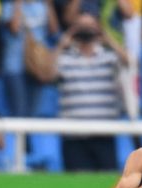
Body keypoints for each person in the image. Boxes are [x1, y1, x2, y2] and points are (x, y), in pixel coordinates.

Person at [45, 12, 127, 171]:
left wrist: (107, 38)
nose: (86, 31)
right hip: (74, 138)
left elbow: (129, 62)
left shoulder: (108, 57)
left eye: (90, 26)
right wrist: (62, 45)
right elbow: (47, 74)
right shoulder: (65, 58)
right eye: (82, 27)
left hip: (104, 135)